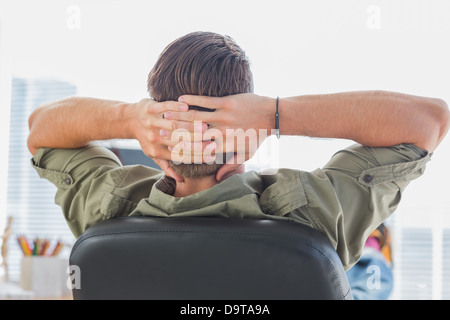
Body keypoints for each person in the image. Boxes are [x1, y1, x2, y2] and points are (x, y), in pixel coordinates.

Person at [27, 31, 450, 298]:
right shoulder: (312, 213)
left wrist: (126, 118)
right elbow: (430, 120)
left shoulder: (108, 205)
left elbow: (40, 127)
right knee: (369, 276)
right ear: (245, 148)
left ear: (157, 146)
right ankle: (371, 255)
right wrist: (274, 113)